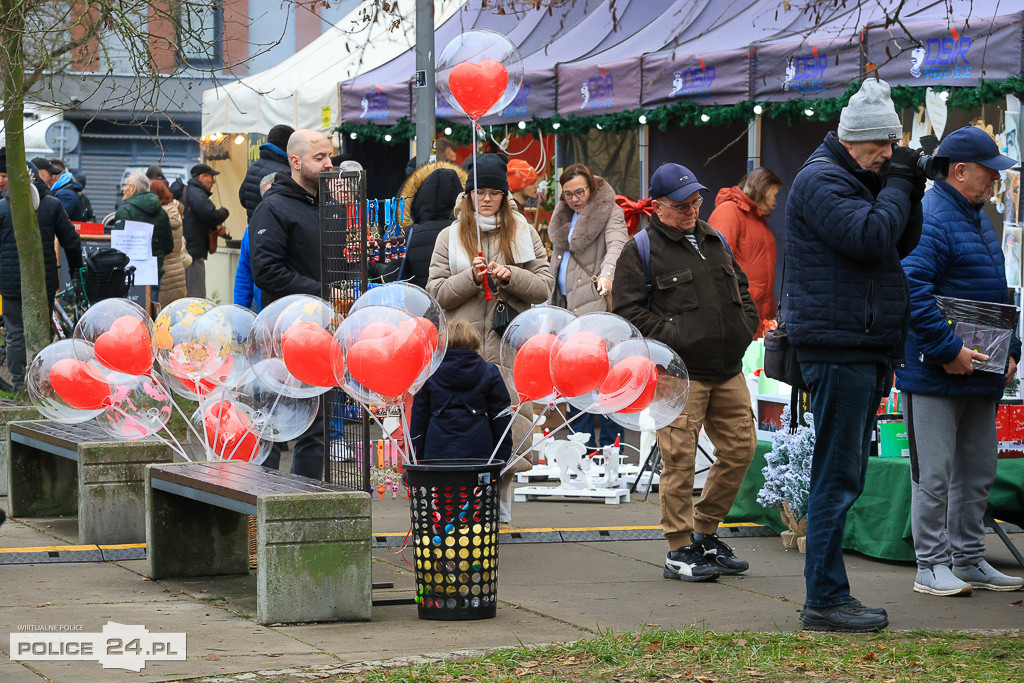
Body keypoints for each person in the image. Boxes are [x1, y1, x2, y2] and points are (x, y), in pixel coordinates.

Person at [785, 78, 924, 632]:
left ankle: (827, 594)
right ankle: (824, 597)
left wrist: (907, 188)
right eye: (880, 145)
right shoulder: (821, 179)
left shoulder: (854, 176)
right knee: (837, 477)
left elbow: (899, 241)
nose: (888, 154)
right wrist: (898, 183)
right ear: (852, 139)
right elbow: (870, 237)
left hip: (857, 345)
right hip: (839, 347)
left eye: (893, 145)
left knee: (843, 474)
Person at [614, 162, 759, 584]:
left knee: (741, 450)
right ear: (657, 206)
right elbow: (627, 313)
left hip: (727, 369)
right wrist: (676, 337)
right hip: (678, 375)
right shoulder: (640, 249)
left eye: (695, 201)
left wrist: (745, 325)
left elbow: (742, 289)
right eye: (681, 205)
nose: (691, 210)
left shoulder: (714, 240)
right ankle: (678, 549)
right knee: (678, 460)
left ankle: (705, 533)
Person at [896, 126, 1023, 596]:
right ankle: (930, 566)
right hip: (936, 370)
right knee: (934, 474)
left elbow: (998, 295)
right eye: (989, 171)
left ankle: (968, 559)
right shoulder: (933, 215)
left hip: (977, 370)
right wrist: (949, 350)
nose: (995, 179)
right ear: (960, 170)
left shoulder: (974, 215)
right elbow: (912, 289)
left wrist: (1011, 351)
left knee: (977, 470)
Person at [426, 152, 554, 523]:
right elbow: (435, 293)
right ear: (468, 195)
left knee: (510, 423)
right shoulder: (449, 236)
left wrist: (512, 275)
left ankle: (501, 503)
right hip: (463, 352)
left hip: (509, 349)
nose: (486, 199)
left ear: (504, 195)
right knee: (463, 428)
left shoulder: (524, 232)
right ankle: (462, 507)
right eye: (479, 192)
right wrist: (470, 278)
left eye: (494, 192)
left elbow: (544, 286)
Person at [251, 129, 334, 479]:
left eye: (330, 156)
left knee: (316, 427)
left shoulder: (329, 206)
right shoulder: (273, 208)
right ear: (296, 162)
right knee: (273, 422)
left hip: (323, 333)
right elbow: (266, 271)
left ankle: (308, 500)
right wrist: (322, 292)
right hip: (282, 335)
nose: (329, 164)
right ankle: (263, 501)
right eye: (320, 158)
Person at [549, 163, 628, 448]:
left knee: (605, 379)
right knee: (575, 381)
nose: (574, 199)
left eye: (580, 192)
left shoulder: (611, 211)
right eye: (568, 194)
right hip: (566, 308)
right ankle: (579, 450)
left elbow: (617, 245)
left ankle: (609, 451)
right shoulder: (563, 215)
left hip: (597, 307)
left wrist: (608, 274)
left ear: (591, 189)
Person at [0, 162, 82, 392]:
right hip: (43, 281)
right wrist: (76, 271)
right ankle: (40, 385)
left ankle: (18, 385)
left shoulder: (3, 207)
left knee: (15, 334)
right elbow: (72, 242)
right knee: (42, 330)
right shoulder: (52, 205)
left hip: (10, 282)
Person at [409, 319, 512, 462]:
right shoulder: (490, 372)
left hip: (436, 455)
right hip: (480, 454)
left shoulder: (429, 372)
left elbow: (418, 421)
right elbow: (501, 418)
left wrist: (415, 460)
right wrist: (502, 459)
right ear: (473, 341)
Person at [708, 167, 783, 337]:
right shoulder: (729, 211)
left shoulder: (757, 219)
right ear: (763, 190)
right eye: (774, 195)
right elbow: (716, 263)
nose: (775, 202)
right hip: (739, 312)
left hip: (757, 313)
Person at [115, 172, 173, 306]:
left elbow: (119, 248)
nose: (123, 188)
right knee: (149, 311)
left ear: (133, 189)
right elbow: (169, 247)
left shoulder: (125, 211)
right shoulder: (162, 213)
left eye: (125, 185)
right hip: (153, 273)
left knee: (130, 311)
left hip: (129, 273)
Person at [401, 168, 464, 289]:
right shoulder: (466, 232)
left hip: (417, 299)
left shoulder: (409, 236)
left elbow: (393, 275)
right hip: (456, 298)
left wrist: (374, 266)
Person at [182, 163, 229, 298]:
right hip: (193, 254)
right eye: (211, 177)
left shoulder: (192, 192)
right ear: (202, 177)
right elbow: (214, 216)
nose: (214, 181)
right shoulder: (196, 194)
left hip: (190, 250)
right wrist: (225, 211)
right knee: (196, 296)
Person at [239, 124, 294, 221]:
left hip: (253, 226)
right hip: (275, 227)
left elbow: (243, 199)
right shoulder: (285, 172)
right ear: (288, 145)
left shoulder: (253, 167)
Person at [234, 173, 272, 311]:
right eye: (269, 196)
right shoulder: (252, 230)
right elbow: (244, 275)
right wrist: (239, 312)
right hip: (262, 307)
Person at [151, 179, 188, 307]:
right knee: (174, 311)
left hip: (165, 272)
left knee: (161, 313)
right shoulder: (174, 211)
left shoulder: (160, 216)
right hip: (176, 271)